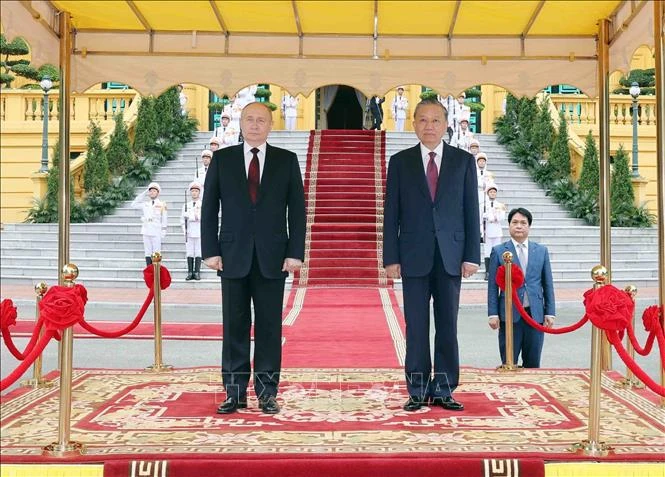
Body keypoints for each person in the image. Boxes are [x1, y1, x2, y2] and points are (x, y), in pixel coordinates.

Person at [201, 102, 306, 415]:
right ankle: (234, 392)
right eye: (250, 119)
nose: (255, 125)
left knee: (269, 327)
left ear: (271, 125)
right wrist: (210, 250)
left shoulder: (287, 161)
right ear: (240, 123)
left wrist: (295, 252)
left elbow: (297, 211)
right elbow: (208, 208)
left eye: (262, 120)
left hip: (273, 256)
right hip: (232, 255)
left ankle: (267, 392)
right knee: (234, 325)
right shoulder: (222, 159)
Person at [383, 98, 480, 412]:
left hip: (451, 255)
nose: (429, 126)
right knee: (416, 324)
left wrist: (472, 256)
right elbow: (391, 214)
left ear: (446, 124)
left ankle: (445, 388)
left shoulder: (463, 162)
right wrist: (391, 258)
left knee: (447, 324)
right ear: (413, 124)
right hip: (413, 255)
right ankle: (417, 388)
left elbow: (470, 211)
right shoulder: (400, 162)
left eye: (435, 120)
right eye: (422, 120)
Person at [487, 207, 556, 368]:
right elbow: (492, 286)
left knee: (533, 363)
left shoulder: (541, 251)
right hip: (509, 315)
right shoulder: (498, 251)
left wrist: (550, 312)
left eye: (523, 223)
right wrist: (492, 313)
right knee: (509, 362)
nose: (519, 226)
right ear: (509, 225)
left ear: (529, 227)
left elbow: (548, 283)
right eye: (515, 222)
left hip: (535, 314)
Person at [131, 182, 168, 265]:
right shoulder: (145, 204)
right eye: (150, 191)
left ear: (158, 193)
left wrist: (163, 230)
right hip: (146, 230)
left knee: (156, 252)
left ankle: (156, 273)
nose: (152, 192)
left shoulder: (162, 204)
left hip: (156, 230)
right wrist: (144, 193)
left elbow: (164, 219)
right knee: (147, 252)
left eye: (154, 191)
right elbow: (133, 204)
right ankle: (149, 273)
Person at [482, 183, 506, 280]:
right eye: (491, 192)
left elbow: (502, 217)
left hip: (497, 230)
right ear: (488, 193)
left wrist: (491, 217)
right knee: (487, 252)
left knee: (497, 250)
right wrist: (491, 217)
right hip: (487, 230)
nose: (493, 193)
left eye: (494, 192)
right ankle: (488, 272)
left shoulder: (500, 205)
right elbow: (483, 216)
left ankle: (497, 271)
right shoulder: (484, 205)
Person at [181, 181, 203, 281]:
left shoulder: (202, 204)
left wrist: (191, 217)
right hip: (189, 231)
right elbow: (181, 220)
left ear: (199, 193)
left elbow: (202, 217)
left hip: (198, 231)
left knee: (198, 252)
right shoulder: (186, 205)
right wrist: (184, 230)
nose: (194, 193)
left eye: (196, 191)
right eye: (193, 191)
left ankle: (197, 272)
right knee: (189, 252)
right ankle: (190, 272)